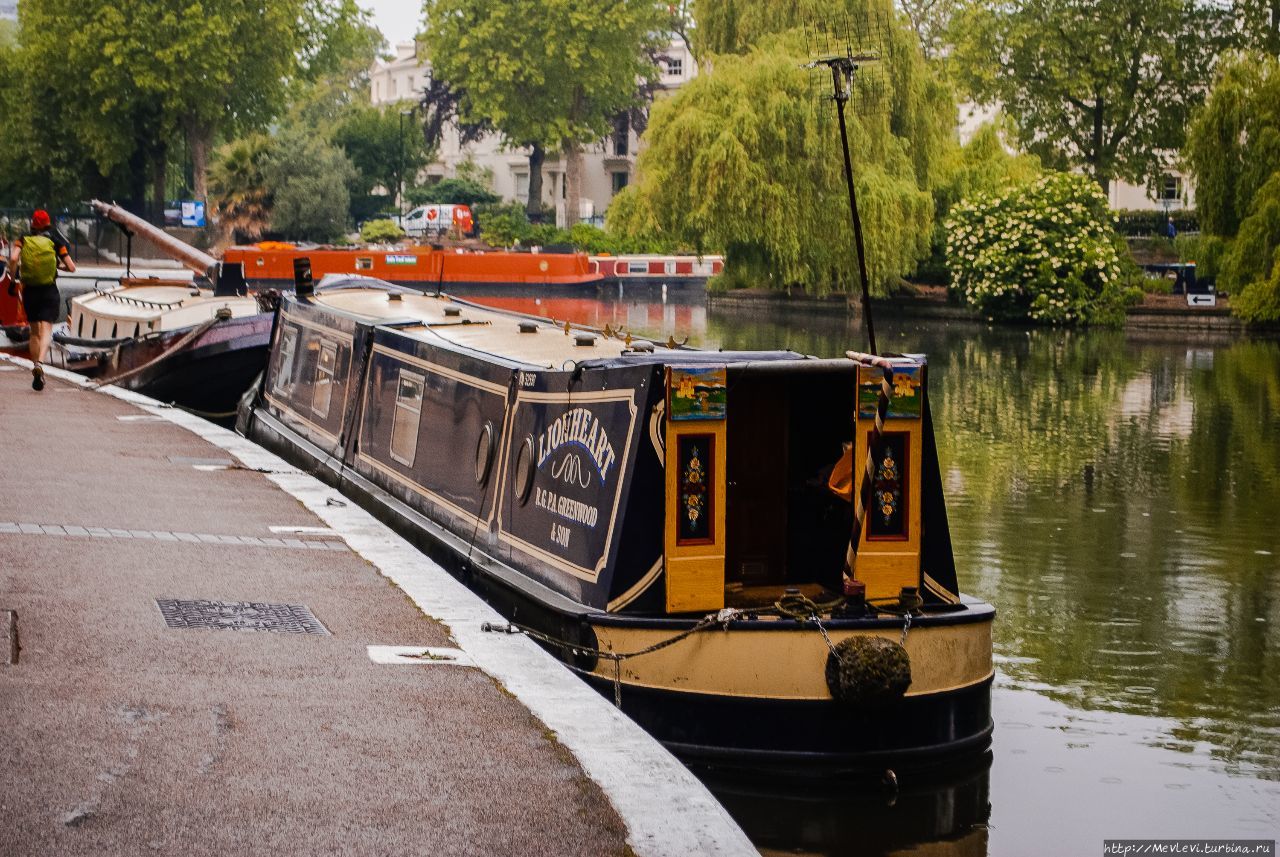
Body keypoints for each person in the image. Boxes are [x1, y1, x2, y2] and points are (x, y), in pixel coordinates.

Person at [9, 209, 76, 391]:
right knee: (46, 329)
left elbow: (14, 258)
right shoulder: (55, 240)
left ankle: (34, 364)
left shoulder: (23, 238)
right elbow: (72, 267)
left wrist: (14, 276)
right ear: (48, 223)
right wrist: (57, 267)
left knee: (34, 332)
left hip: (30, 290)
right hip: (49, 290)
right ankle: (40, 364)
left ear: (32, 224)